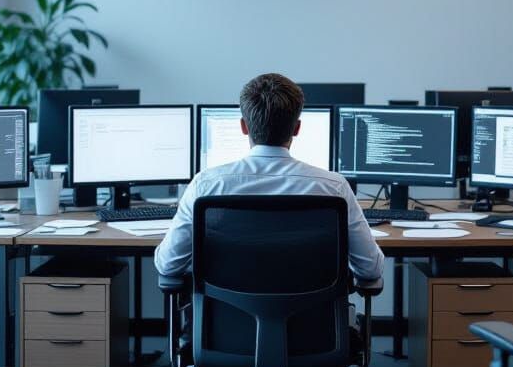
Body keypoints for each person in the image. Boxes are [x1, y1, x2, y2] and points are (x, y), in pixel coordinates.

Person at [155, 72, 385, 284]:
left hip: (226, 325)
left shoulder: (206, 185)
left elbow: (168, 265)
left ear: (244, 127)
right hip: (312, 326)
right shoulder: (334, 188)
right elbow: (370, 269)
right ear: (297, 128)